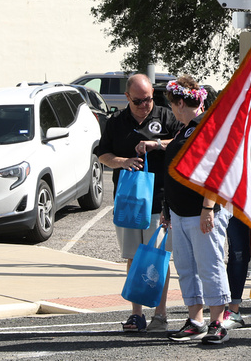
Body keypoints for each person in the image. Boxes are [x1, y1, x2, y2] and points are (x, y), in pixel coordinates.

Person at [148, 76, 232, 344]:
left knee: (210, 266)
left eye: (172, 104)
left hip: (201, 212)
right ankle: (195, 320)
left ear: (181, 102)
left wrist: (208, 206)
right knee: (186, 268)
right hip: (181, 212)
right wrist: (166, 206)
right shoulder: (185, 130)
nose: (171, 109)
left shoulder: (206, 127)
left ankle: (218, 321)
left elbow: (216, 170)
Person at [96, 73, 182, 332]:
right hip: (129, 201)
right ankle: (136, 315)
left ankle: (161, 314)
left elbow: (182, 142)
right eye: (138, 101)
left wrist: (156, 144)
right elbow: (103, 154)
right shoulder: (116, 122)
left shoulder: (166, 117)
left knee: (158, 258)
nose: (145, 105)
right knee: (133, 257)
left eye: (148, 99)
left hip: (159, 199)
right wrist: (122, 162)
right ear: (127, 98)